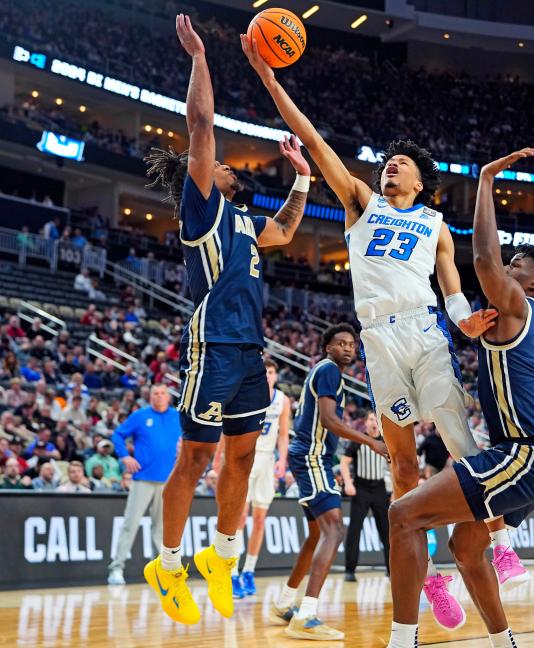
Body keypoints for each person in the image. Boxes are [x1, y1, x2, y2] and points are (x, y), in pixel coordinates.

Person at [241, 32, 504, 628]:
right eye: (389, 160)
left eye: (402, 162)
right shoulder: (362, 201)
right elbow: (311, 136)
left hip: (426, 331)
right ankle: (432, 576)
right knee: (404, 470)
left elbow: (455, 297)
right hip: (377, 340)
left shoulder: (438, 226)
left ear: (420, 182)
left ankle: (498, 544)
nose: (391, 164)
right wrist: (267, 75)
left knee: (463, 449)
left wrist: (472, 323)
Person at [385, 148, 534, 648]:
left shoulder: (517, 306)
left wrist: (484, 183)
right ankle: (505, 643)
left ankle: (402, 640)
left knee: (403, 515)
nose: (507, 268)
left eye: (517, 264)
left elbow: (481, 259)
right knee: (464, 547)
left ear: (531, 283)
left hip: (523, 452)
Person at [141, 15, 309, 626]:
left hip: (249, 355)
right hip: (212, 346)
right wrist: (201, 58)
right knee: (194, 458)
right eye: (213, 164)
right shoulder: (203, 210)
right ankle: (166, 561)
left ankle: (224, 553)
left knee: (239, 459)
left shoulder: (247, 225)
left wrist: (304, 177)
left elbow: (288, 229)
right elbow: (202, 124)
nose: (219, 163)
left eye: (221, 166)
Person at [272, 324, 388, 640]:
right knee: (335, 529)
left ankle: (285, 603)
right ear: (328, 347)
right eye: (340, 343)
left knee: (316, 535)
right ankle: (306, 615)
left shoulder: (326, 372)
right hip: (311, 455)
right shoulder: (329, 371)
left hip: (311, 455)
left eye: (352, 344)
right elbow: (329, 421)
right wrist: (371, 442)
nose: (348, 348)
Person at [107, 384, 181, 585]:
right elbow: (117, 435)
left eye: (162, 393)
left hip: (168, 481)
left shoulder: (177, 416)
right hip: (143, 480)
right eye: (155, 393)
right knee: (130, 524)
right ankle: (116, 568)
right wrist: (125, 457)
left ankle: (160, 569)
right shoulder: (140, 416)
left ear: (168, 397)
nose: (159, 396)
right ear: (150, 397)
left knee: (162, 529)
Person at [232, 359, 290, 598]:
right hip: (247, 457)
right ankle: (233, 572)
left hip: (267, 460)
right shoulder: (246, 394)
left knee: (259, 520)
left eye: (271, 372)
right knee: (239, 519)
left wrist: (282, 460)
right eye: (264, 371)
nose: (268, 375)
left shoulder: (282, 400)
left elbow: (284, 434)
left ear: (276, 376)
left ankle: (249, 570)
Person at [341, 410, 392, 581]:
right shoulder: (358, 440)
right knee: (355, 530)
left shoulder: (386, 442)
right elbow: (344, 462)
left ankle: (391, 570)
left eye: (376, 419)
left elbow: (394, 467)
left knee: (387, 531)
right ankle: (350, 570)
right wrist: (348, 482)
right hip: (361, 488)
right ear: (365, 422)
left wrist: (396, 491)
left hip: (379, 489)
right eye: (371, 419)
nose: (374, 422)